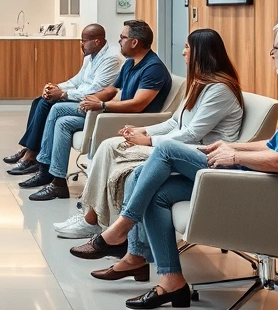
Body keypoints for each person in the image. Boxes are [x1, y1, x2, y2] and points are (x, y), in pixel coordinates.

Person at [71, 18, 278, 310]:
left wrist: (234, 156)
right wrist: (232, 146)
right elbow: (277, 144)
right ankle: (171, 280)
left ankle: (120, 228)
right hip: (271, 180)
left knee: (168, 150)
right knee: (155, 192)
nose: (272, 55)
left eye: (274, 49)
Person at [53, 29, 243, 242]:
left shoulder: (219, 90)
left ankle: (95, 222)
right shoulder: (200, 84)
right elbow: (174, 122)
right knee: (108, 145)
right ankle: (90, 217)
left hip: (194, 154)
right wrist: (143, 130)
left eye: (188, 47)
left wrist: (150, 140)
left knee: (119, 156)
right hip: (180, 146)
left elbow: (192, 133)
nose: (183, 52)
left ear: (203, 52)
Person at [3, 24, 123, 178]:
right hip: (79, 96)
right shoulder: (90, 57)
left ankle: (32, 155)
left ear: (97, 42)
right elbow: (77, 80)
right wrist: (55, 87)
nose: (81, 44)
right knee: (39, 100)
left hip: (91, 102)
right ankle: (30, 149)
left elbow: (94, 90)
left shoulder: (111, 59)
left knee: (48, 104)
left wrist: (63, 94)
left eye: (84, 41)